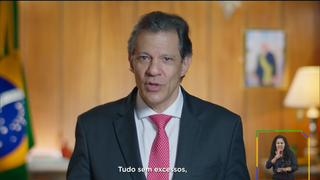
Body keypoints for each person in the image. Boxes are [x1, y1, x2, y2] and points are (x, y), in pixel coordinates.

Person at [67, 11, 249, 180]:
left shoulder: (225, 128)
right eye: (144, 58)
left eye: (166, 59)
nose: (153, 70)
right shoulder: (92, 128)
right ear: (131, 61)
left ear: (184, 64)